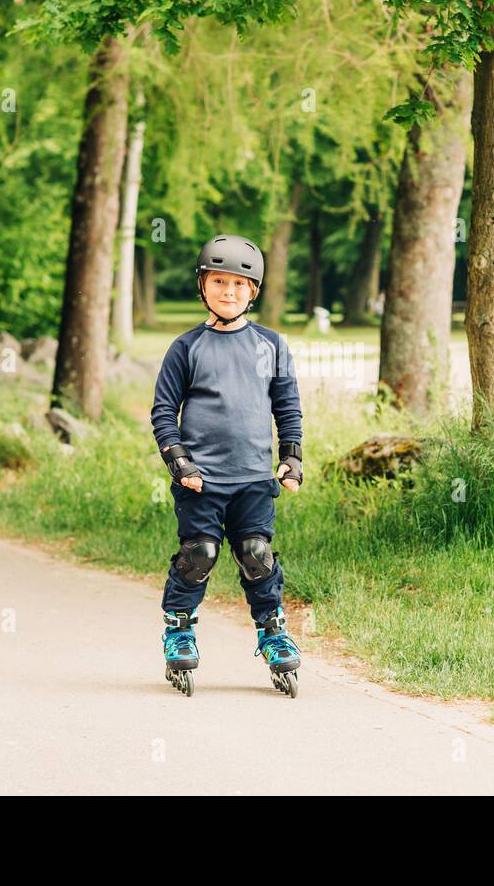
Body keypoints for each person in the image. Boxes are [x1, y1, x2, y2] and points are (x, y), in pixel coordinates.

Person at [149, 234, 305, 697]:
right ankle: (178, 629)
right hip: (201, 481)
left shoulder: (270, 344)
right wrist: (179, 463)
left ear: (253, 291)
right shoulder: (186, 347)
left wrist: (292, 458)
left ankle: (274, 634)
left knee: (257, 555)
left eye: (240, 284)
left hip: (255, 477)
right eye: (219, 281)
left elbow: (287, 406)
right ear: (203, 286)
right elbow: (163, 412)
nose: (229, 291)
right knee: (200, 555)